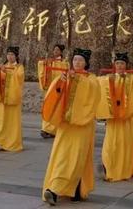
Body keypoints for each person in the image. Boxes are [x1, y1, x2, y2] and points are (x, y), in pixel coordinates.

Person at [42, 48, 100, 206]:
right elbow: (54, 94)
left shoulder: (92, 79)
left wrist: (77, 80)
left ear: (86, 63)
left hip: (82, 125)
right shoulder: (66, 75)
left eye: (81, 60)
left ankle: (55, 190)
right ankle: (64, 188)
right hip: (66, 124)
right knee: (61, 156)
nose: (77, 63)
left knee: (76, 158)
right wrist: (61, 81)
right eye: (75, 60)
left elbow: (92, 93)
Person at [97, 52, 133, 182]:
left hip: (126, 119)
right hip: (113, 120)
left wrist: (126, 80)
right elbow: (98, 84)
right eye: (117, 63)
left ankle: (124, 169)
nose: (119, 66)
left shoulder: (132, 79)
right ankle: (108, 166)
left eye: (122, 63)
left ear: (126, 65)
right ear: (114, 65)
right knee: (111, 145)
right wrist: (110, 81)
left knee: (125, 144)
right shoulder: (108, 78)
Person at [0, 46, 25, 152]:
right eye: (8, 54)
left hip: (13, 98)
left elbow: (19, 78)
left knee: (11, 122)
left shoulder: (19, 67)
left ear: (16, 56)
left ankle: (11, 142)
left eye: (12, 55)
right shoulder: (3, 66)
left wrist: (7, 73)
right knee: (0, 120)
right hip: (2, 97)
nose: (10, 57)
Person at [37, 45, 69, 138]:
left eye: (57, 50)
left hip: (59, 89)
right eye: (54, 49)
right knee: (48, 106)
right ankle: (45, 129)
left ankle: (53, 130)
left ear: (61, 52)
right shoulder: (49, 62)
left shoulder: (64, 63)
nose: (55, 51)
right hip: (50, 89)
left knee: (57, 109)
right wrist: (43, 64)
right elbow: (42, 67)